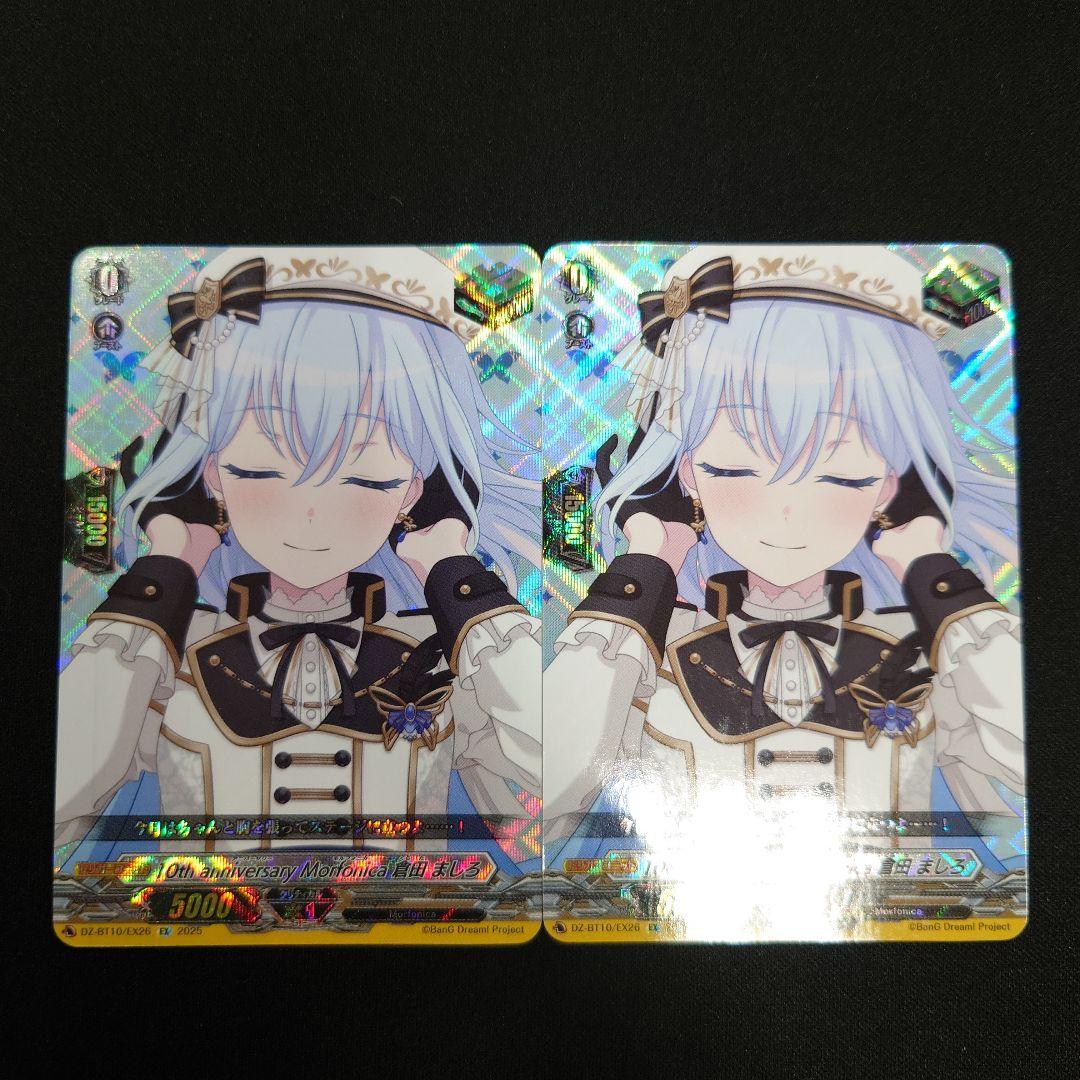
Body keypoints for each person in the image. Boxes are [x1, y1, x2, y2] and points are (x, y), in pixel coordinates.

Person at [543, 246, 1023, 877]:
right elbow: (540, 803)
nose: (786, 514)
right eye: (735, 469)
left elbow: (1029, 772)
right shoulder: (639, 646)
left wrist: (934, 572)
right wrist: (645, 567)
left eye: (839, 475)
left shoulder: (933, 644)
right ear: (687, 474)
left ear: (889, 486)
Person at [55, 247, 541, 855]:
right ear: (212, 476)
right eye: (263, 470)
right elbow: (58, 800)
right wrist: (168, 568)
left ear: (413, 489)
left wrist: (454, 574)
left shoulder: (450, 650)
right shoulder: (161, 649)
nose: (310, 512)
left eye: (361, 476)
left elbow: (553, 793)